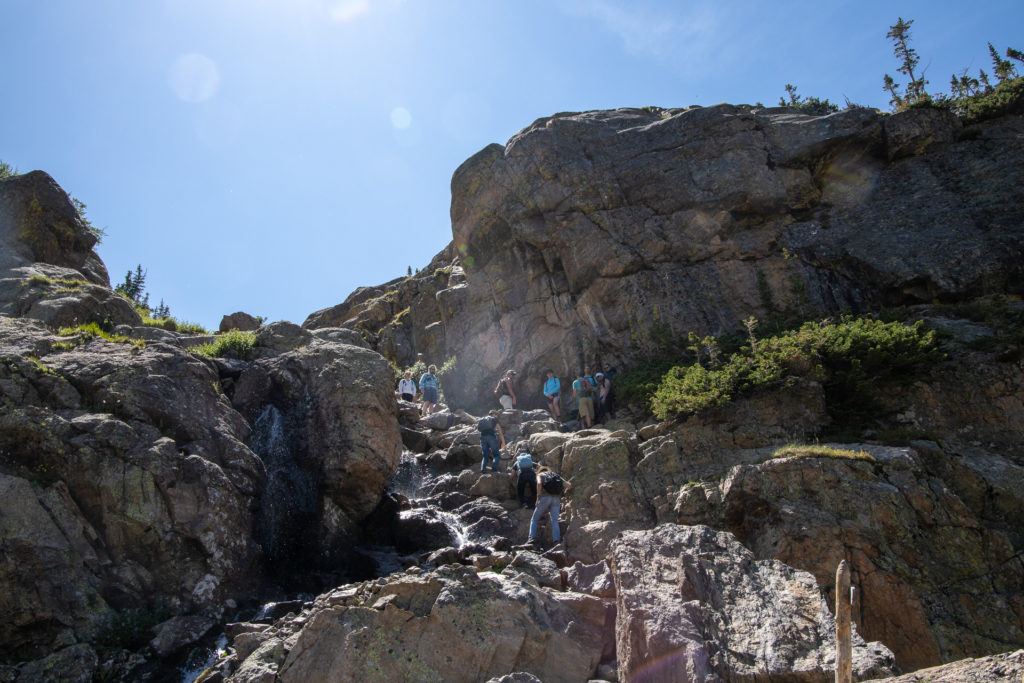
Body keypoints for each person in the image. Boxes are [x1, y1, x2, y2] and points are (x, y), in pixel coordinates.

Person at [528, 467, 570, 547]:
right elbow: (568, 485)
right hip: (556, 499)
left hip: (545, 498)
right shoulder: (555, 475)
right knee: (555, 521)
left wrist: (538, 497)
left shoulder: (540, 475)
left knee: (535, 519)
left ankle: (531, 539)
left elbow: (539, 483)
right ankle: (556, 541)